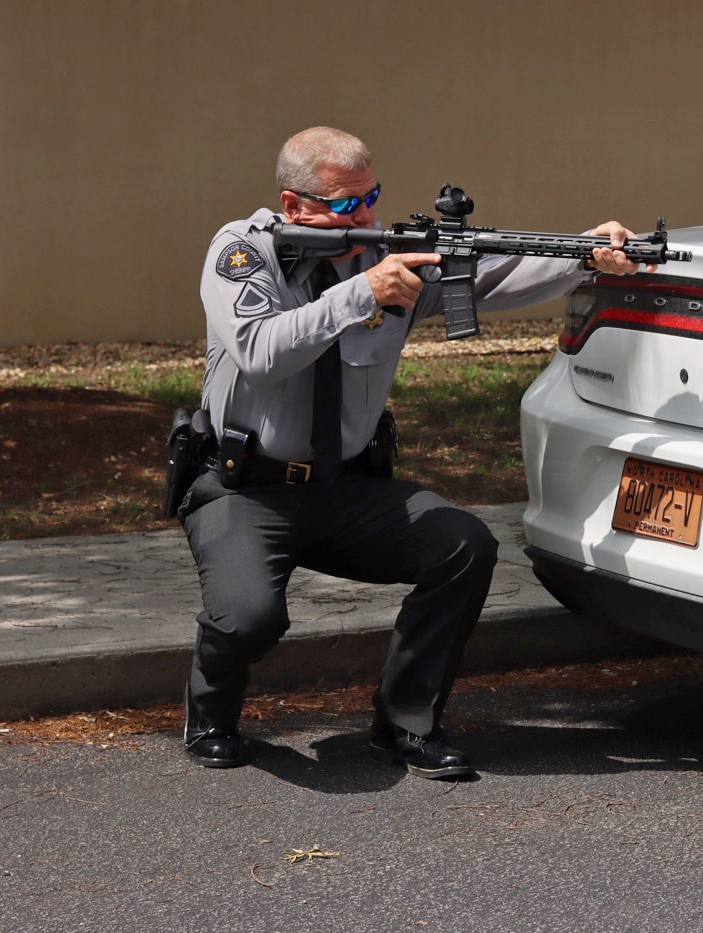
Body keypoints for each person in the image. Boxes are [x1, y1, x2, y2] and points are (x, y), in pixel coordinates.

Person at [178, 126, 651, 777]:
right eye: (346, 206)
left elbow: (495, 270)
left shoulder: (389, 255)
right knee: (250, 615)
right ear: (294, 207)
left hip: (347, 489)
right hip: (246, 490)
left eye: (370, 197)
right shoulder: (241, 254)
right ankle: (209, 713)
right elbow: (260, 351)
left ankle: (406, 721)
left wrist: (585, 254)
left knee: (464, 544)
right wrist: (362, 292)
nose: (365, 216)